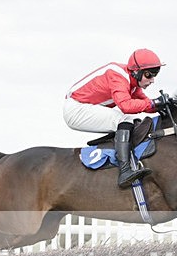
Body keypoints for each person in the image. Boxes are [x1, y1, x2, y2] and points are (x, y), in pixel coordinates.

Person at [63, 48, 170, 188]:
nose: (153, 80)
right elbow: (126, 105)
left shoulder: (131, 81)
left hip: (83, 106)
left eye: (155, 75)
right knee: (124, 119)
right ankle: (125, 171)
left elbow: (146, 103)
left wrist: (161, 105)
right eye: (149, 75)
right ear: (136, 72)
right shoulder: (118, 76)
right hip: (75, 109)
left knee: (130, 120)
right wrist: (153, 103)